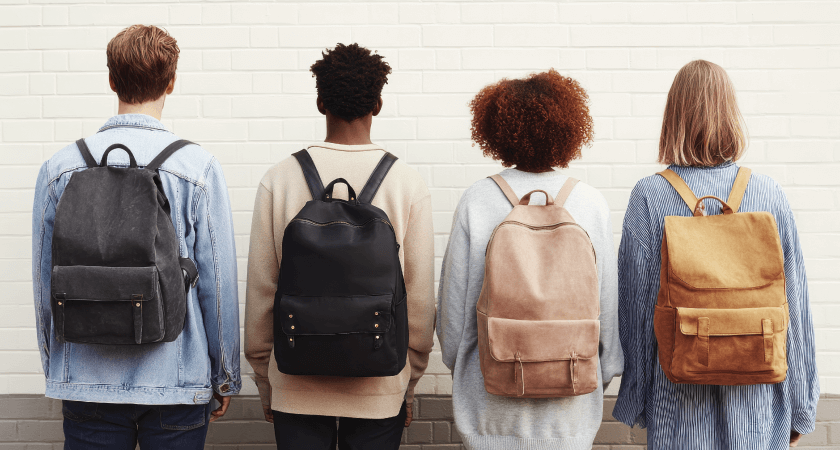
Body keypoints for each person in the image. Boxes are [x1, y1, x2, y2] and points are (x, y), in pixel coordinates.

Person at [30, 25, 240, 450]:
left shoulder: (59, 168)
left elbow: (44, 281)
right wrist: (224, 376)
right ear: (172, 82)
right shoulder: (197, 168)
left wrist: (58, 367)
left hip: (87, 381)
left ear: (111, 80)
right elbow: (218, 285)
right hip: (177, 380)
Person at [613, 60, 820, 449]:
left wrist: (637, 397)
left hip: (676, 405)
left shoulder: (649, 196)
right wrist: (802, 406)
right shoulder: (769, 194)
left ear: (673, 118)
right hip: (759, 404)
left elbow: (637, 311)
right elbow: (796, 308)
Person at [244, 43, 435, 450]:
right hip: (380, 386)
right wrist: (409, 381)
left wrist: (266, 381)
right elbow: (418, 300)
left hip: (295, 385)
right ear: (378, 104)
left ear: (320, 102)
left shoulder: (278, 179)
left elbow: (262, 291)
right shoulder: (407, 184)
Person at [436, 69, 624, 449]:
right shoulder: (589, 203)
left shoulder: (477, 200)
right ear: (568, 131)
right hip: (569, 412)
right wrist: (596, 376)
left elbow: (454, 317)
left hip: (490, 409)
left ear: (497, 132)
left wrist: (469, 371)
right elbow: (607, 310)